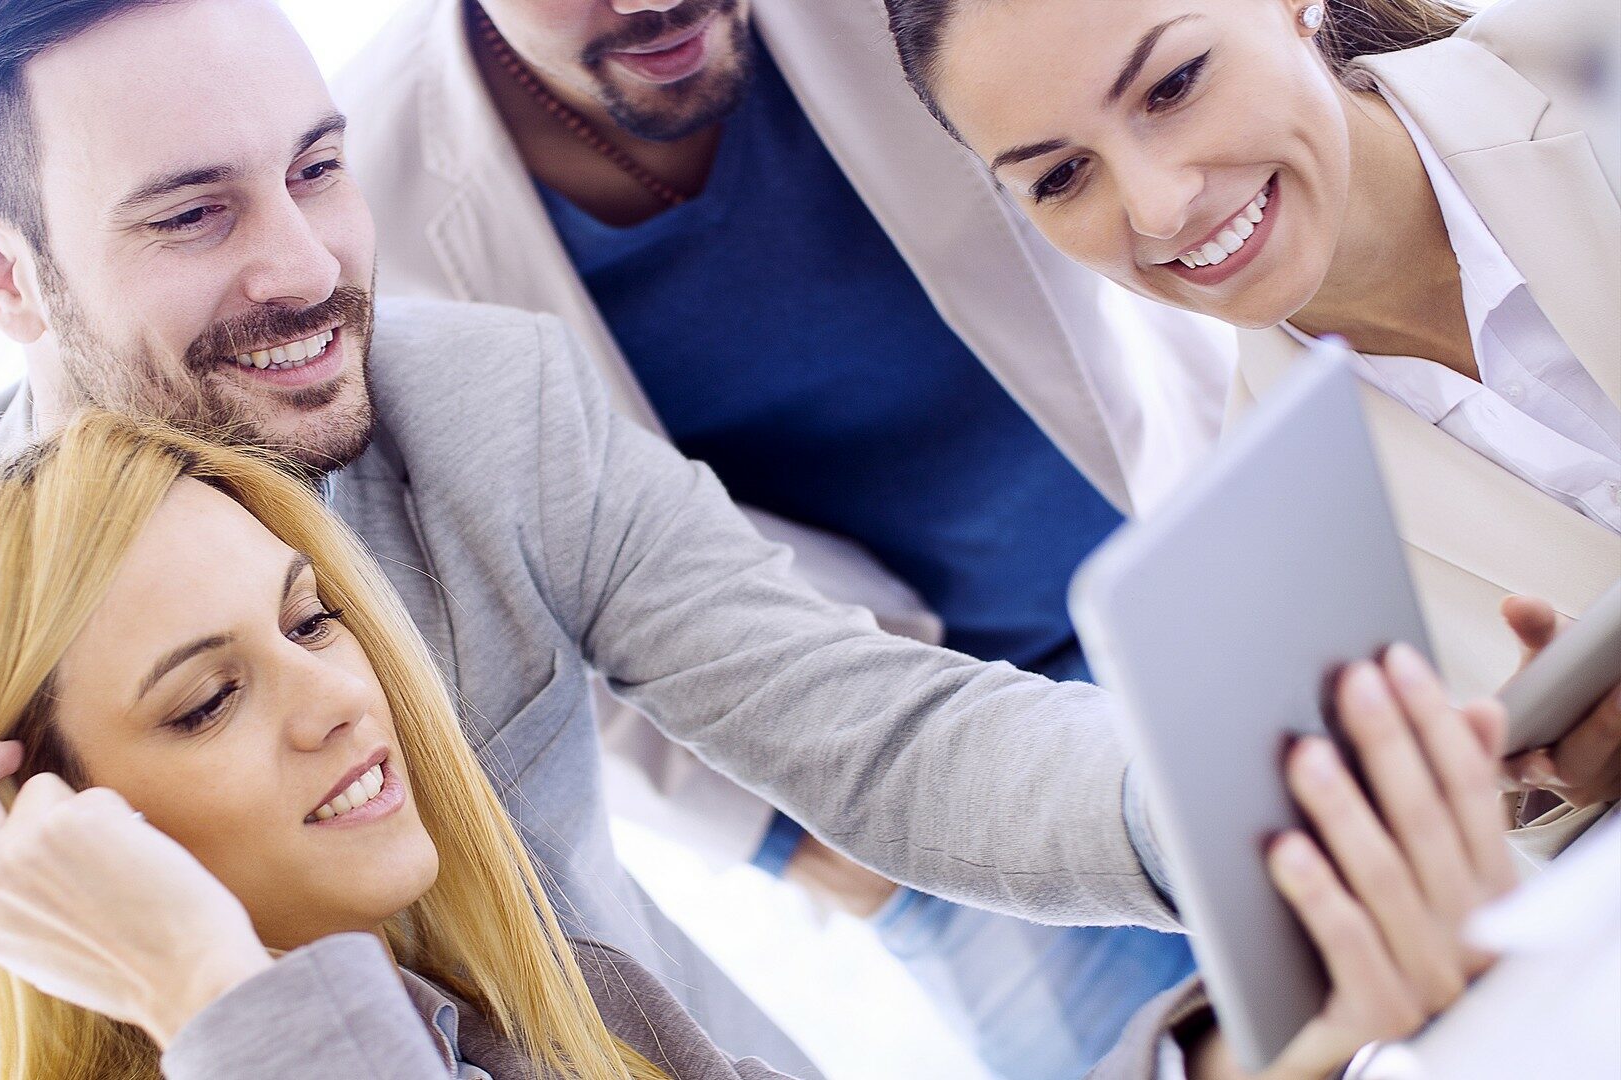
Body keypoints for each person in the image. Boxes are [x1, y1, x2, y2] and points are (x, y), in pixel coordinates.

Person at [0, 0, 1184, 1075]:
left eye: (317, 169)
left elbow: (877, 733)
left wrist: (1242, 795)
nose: (305, 268)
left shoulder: (483, 401)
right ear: (0, 278)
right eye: (189, 217)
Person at [0, 410, 1515, 1080]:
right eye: (205, 698)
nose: (339, 696)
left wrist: (1258, 1042)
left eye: (314, 618)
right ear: (44, 838)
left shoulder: (556, 1011)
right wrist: (226, 1004)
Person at [332, 2, 1231, 1071]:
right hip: (904, 772)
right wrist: (784, 842)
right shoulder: (367, 195)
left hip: (1186, 589)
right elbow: (510, 568)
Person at [879, 0, 1621, 861]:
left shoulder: (1588, 58)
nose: (1159, 209)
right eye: (1062, 177)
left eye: (1174, 85)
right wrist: (1558, 794)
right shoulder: (1275, 546)